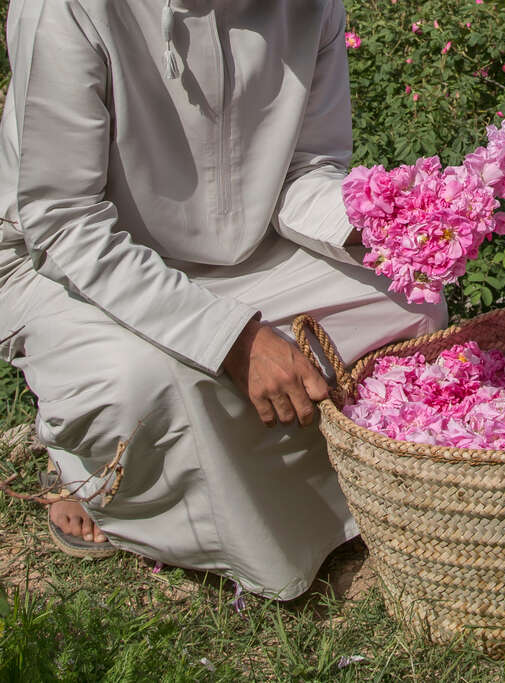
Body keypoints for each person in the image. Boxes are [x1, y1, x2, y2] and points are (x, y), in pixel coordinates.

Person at [0, 0, 445, 598]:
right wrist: (233, 339)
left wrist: (381, 224)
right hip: (57, 267)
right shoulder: (66, 7)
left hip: (247, 251)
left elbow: (306, 171)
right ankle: (94, 476)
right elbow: (62, 219)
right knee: (145, 379)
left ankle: (360, 492)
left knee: (408, 300)